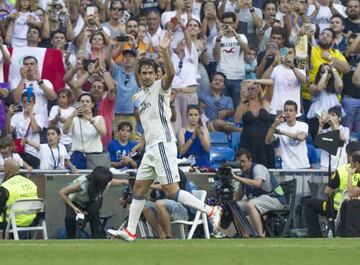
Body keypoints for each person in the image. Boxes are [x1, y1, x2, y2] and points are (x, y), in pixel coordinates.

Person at [107, 31, 222, 242]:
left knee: (171, 190)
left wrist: (164, 50)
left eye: (151, 72)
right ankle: (131, 231)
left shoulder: (161, 87)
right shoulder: (139, 96)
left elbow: (169, 73)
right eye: (145, 73)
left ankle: (210, 210)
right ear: (139, 75)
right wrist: (141, 141)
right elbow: (149, 122)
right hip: (150, 147)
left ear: (155, 74)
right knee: (139, 189)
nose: (148, 76)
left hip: (162, 145)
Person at [304, 141, 360, 238]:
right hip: (352, 207)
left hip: (336, 208)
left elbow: (327, 190)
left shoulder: (342, 170)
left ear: (348, 155)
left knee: (309, 204)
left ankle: (316, 237)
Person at [59, 166, 127, 239]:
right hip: (76, 201)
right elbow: (62, 192)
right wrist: (73, 207)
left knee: (93, 213)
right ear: (99, 182)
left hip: (93, 201)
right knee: (70, 218)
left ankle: (96, 237)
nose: (108, 183)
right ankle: (70, 238)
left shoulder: (105, 182)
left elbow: (120, 182)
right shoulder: (81, 184)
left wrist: (130, 183)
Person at [232, 148, 285, 237]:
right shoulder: (244, 175)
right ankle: (245, 236)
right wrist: (228, 204)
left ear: (250, 160)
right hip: (260, 199)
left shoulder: (258, 168)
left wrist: (236, 177)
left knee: (250, 204)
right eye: (238, 162)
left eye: (243, 161)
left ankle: (260, 236)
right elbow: (238, 196)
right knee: (234, 207)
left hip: (275, 199)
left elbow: (257, 183)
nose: (241, 165)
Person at [234, 79, 275, 168]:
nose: (251, 91)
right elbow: (236, 120)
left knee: (267, 169)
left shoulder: (264, 102)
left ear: (258, 89)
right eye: (248, 89)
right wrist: (241, 101)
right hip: (248, 143)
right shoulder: (243, 106)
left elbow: (271, 83)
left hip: (265, 142)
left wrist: (254, 80)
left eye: (253, 88)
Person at [63, 93, 106, 169]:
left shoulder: (98, 118)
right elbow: (65, 131)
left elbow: (103, 133)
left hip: (95, 155)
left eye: (87, 101)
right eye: (82, 101)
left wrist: (91, 119)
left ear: (92, 104)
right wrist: (71, 116)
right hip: (78, 155)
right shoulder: (74, 119)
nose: (84, 103)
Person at [265, 100, 310, 169]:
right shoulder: (280, 126)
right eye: (286, 110)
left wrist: (282, 132)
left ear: (296, 112)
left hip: (302, 166)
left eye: (291, 110)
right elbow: (267, 141)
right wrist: (274, 125)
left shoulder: (303, 125)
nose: (288, 113)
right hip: (286, 167)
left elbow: (301, 137)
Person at [0, 159, 38, 239]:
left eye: (4, 167)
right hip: (31, 219)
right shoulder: (31, 183)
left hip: (12, 221)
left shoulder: (6, 186)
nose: (3, 169)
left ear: (8, 169)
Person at [318, 105, 350, 170]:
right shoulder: (325, 131)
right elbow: (318, 142)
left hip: (341, 167)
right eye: (329, 115)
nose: (330, 117)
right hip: (325, 167)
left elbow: (343, 138)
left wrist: (334, 124)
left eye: (333, 115)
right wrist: (321, 126)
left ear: (339, 118)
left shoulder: (345, 129)